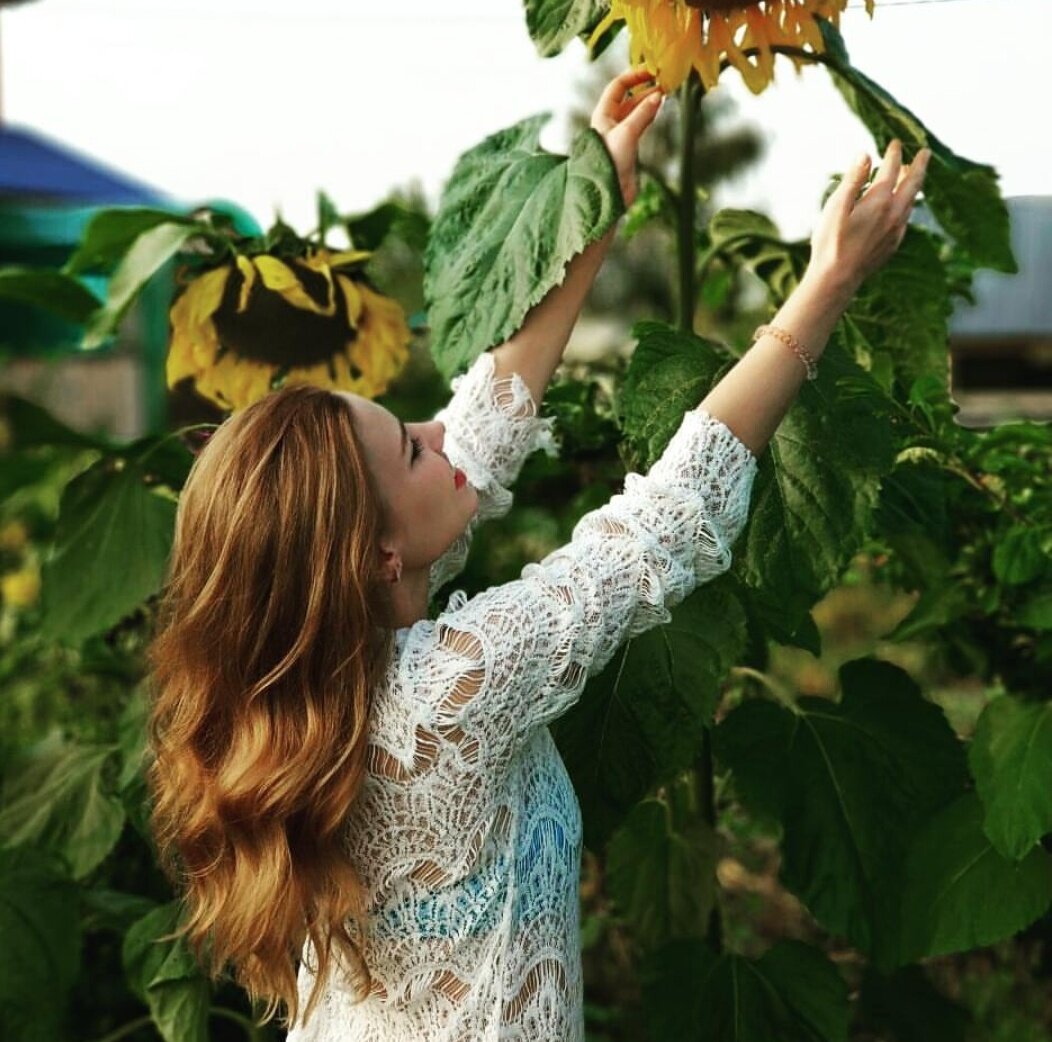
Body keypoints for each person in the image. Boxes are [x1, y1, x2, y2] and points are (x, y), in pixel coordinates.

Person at [145, 67, 930, 1042]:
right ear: (378, 558)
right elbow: (667, 520)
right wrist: (825, 286)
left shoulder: (304, 702)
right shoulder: (448, 695)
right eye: (409, 445)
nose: (443, 433)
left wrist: (597, 207)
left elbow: (476, 434)